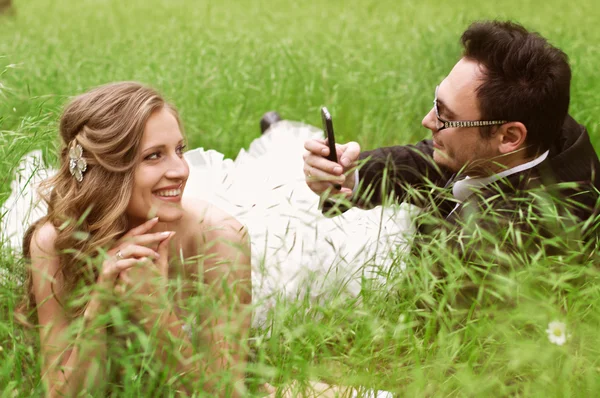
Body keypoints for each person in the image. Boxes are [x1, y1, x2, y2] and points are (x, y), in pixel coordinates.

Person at [9, 82, 252, 396]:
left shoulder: (220, 239)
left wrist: (155, 311)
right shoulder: (56, 241)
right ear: (105, 172)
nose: (181, 170)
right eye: (153, 156)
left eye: (179, 150)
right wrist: (99, 304)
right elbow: (62, 392)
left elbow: (224, 392)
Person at [302, 20, 600, 252]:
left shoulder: (519, 236)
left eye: (445, 115)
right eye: (436, 102)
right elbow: (432, 163)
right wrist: (346, 174)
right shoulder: (539, 125)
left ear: (510, 136)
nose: (427, 120)